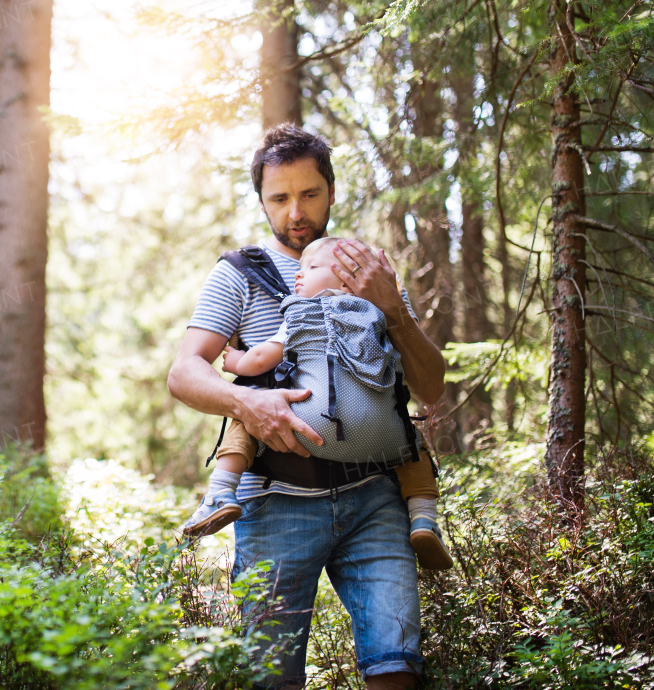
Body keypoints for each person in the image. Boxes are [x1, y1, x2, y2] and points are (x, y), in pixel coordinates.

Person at [167, 125, 447, 690]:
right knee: (272, 678)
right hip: (275, 504)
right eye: (279, 197)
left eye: (310, 194)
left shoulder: (369, 270)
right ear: (262, 200)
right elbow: (185, 372)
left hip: (375, 497)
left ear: (332, 191)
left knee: (397, 668)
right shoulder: (239, 274)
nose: (296, 211)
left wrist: (393, 308)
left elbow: (430, 385)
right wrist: (249, 400)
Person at [180, 235, 453, 572]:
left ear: (344, 277)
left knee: (250, 410)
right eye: (280, 198)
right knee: (412, 446)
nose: (298, 274)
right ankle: (424, 519)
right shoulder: (378, 311)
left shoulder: (302, 309)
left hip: (310, 426)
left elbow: (263, 358)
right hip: (380, 439)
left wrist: (236, 362)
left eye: (310, 268)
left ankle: (220, 493)